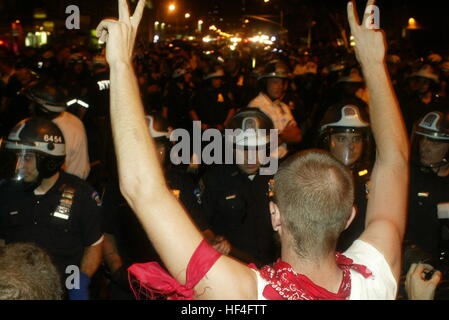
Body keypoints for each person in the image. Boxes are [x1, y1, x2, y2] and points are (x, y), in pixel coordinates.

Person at [97, 0, 408, 299]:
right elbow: (395, 161)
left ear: (274, 214)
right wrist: (373, 62)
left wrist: (121, 64)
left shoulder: (246, 293)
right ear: (349, 217)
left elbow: (142, 188)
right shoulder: (376, 276)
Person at [0, 117, 103, 300]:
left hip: (63, 292)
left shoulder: (82, 195)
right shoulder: (7, 192)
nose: (20, 165)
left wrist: (80, 283)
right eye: (18, 157)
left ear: (49, 159)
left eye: (28, 157)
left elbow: (93, 246)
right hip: (17, 293)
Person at [199, 108, 278, 267]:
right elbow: (201, 224)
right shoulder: (215, 179)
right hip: (233, 267)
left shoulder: (280, 175)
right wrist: (213, 241)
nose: (251, 157)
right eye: (243, 149)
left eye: (258, 149)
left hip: (274, 267)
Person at [318, 103, 373, 251]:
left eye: (356, 139)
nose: (351, 146)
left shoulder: (370, 179)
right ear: (328, 141)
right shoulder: (313, 179)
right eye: (342, 139)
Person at [405, 109, 449, 262]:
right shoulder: (409, 175)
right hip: (417, 261)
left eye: (434, 142)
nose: (425, 146)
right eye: (423, 139)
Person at [25, 81, 91, 180]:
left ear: (43, 109)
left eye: (33, 104)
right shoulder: (70, 118)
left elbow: (56, 168)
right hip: (67, 179)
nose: (29, 107)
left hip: (67, 183)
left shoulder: (57, 130)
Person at [248, 60, 302, 159]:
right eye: (275, 82)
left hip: (284, 161)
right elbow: (255, 147)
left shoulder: (284, 107)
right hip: (265, 164)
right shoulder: (255, 107)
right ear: (265, 83)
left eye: (282, 83)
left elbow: (296, 136)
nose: (279, 87)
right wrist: (283, 138)